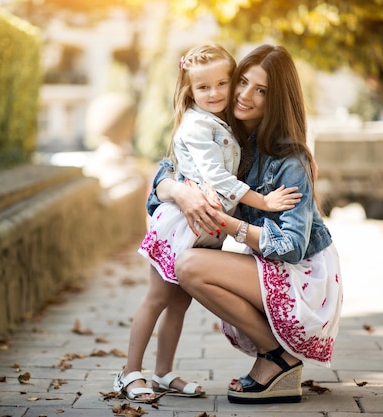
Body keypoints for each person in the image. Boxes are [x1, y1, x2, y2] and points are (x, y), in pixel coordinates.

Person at [149, 44, 344, 404]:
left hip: (303, 274)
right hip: (267, 265)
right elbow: (164, 173)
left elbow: (291, 247)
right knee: (187, 266)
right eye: (242, 82)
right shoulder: (222, 134)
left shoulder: (290, 159)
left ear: (277, 100)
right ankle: (275, 357)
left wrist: (227, 225)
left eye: (261, 90)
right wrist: (179, 192)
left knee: (190, 266)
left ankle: (277, 357)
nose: (243, 95)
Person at [113, 43, 302, 403]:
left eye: (222, 83)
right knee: (156, 298)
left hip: (202, 228)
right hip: (182, 224)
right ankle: (129, 373)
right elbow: (216, 177)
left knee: (179, 304)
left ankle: (164, 372)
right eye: (204, 87)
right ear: (190, 91)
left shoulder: (221, 122)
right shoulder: (198, 126)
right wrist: (262, 201)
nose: (215, 93)